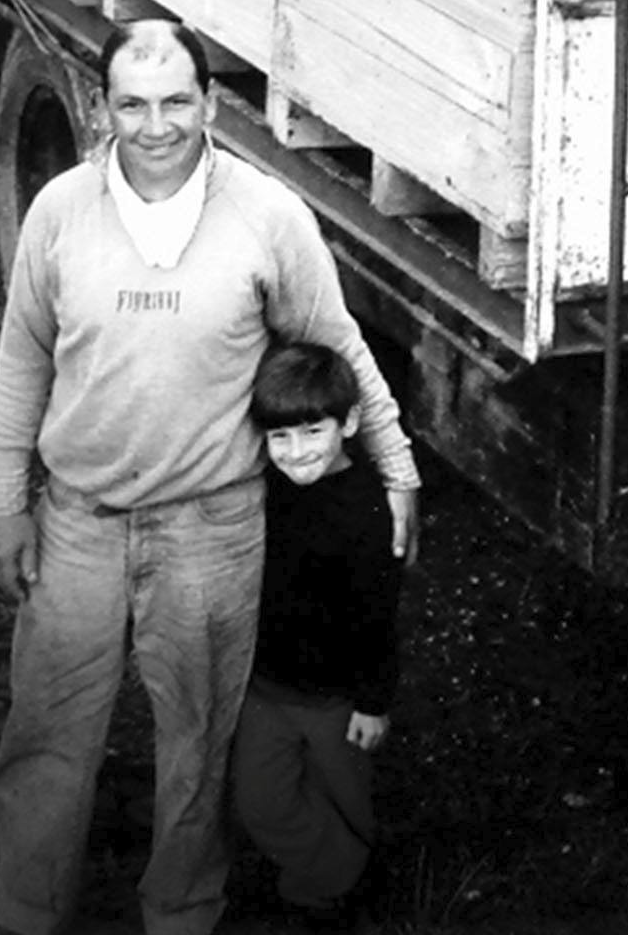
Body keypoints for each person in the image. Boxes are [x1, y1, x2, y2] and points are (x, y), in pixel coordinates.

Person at [0, 19, 421, 935]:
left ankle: (181, 909)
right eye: (132, 104)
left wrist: (397, 465)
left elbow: (335, 343)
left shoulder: (268, 215)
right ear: (103, 107)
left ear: (210, 103)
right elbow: (22, 360)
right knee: (48, 727)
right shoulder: (59, 211)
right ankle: (24, 909)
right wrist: (5, 499)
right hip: (79, 517)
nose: (156, 125)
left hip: (212, 525)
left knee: (199, 742)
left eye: (176, 101)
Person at [232, 341, 407, 929]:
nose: (296, 451)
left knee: (348, 796)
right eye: (279, 437)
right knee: (261, 800)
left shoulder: (367, 510)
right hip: (266, 689)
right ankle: (340, 870)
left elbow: (378, 614)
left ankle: (324, 896)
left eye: (312, 432)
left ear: (349, 423)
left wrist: (373, 702)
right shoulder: (265, 488)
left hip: (338, 697)